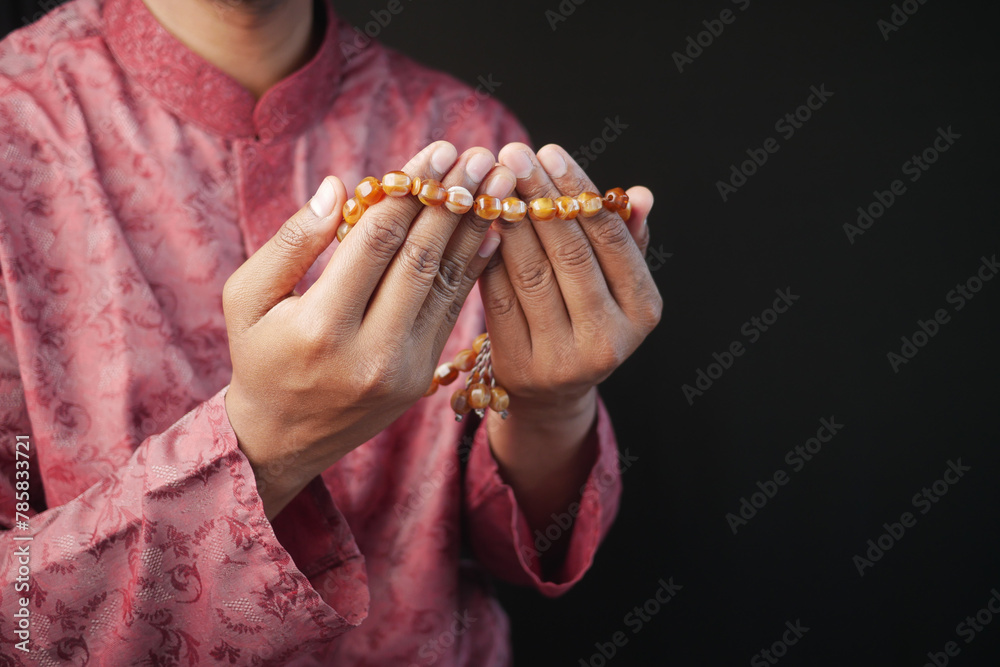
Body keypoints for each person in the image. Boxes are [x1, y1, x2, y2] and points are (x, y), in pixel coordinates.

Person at [0, 0, 661, 663]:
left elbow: (515, 544)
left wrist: (552, 405)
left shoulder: (467, 132)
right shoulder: (16, 122)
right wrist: (264, 441)